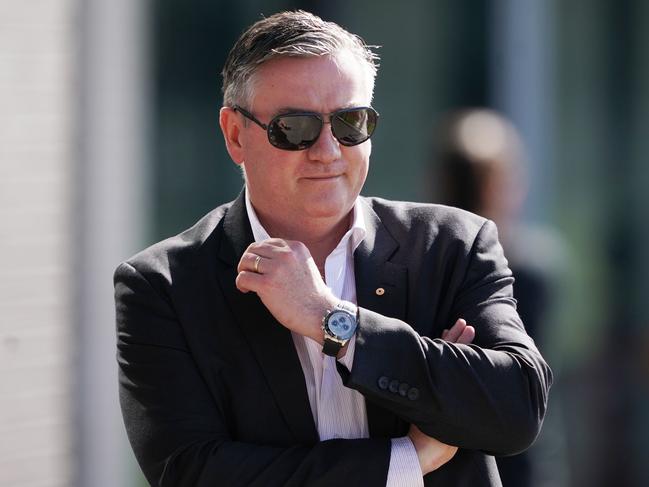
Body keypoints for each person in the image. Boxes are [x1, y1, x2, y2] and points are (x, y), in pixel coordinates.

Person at [114, 11, 552, 487]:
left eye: (350, 122)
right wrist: (406, 459)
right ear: (235, 134)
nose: (327, 149)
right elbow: (192, 474)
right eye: (294, 127)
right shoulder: (163, 285)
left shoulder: (453, 244)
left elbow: (516, 409)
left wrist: (331, 320)